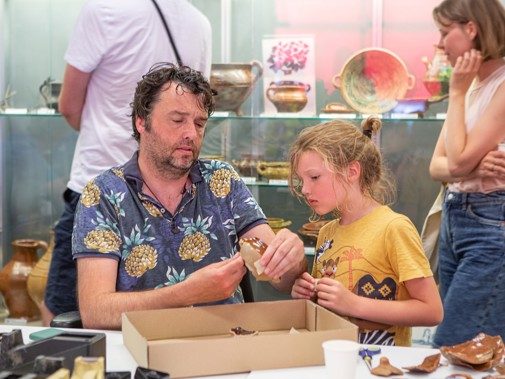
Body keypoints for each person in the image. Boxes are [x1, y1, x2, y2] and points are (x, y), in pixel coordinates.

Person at [71, 63, 308, 330]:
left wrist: (294, 259)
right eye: (177, 120)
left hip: (228, 343)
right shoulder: (103, 195)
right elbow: (96, 312)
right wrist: (185, 293)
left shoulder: (222, 180)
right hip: (144, 347)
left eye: (199, 123)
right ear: (141, 121)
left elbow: (281, 279)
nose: (191, 134)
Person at [44, 0, 212, 325]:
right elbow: (196, 102)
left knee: (63, 309)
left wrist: (109, 134)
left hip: (97, 184)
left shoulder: (103, 10)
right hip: (167, 190)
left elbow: (68, 105)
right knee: (155, 311)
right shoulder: (199, 22)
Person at [289, 117, 443, 347]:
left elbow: (431, 311)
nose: (305, 189)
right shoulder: (326, 234)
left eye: (314, 177)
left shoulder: (394, 228)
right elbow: (330, 307)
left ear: (352, 171)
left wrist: (354, 304)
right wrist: (309, 294)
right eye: (301, 180)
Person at [428, 0, 505, 347]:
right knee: (469, 348)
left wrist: (456, 93)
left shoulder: (495, 85)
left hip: (489, 222)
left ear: (471, 29)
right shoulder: (472, 85)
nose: (440, 44)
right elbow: (437, 166)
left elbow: (455, 164)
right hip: (456, 215)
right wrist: (471, 162)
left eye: (446, 33)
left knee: (453, 344)